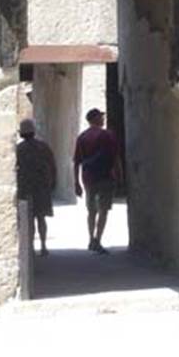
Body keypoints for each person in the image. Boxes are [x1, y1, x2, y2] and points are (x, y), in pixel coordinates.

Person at [73, 108, 121, 255]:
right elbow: (115, 157)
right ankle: (98, 239)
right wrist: (120, 175)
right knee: (104, 210)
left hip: (88, 178)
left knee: (91, 211)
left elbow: (77, 162)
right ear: (94, 119)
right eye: (101, 116)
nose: (103, 119)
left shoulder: (82, 137)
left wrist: (76, 182)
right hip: (105, 177)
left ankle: (90, 239)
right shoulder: (108, 135)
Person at [15, 119, 57, 256]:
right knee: (41, 218)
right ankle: (44, 246)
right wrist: (53, 182)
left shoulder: (19, 149)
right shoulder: (43, 147)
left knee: (28, 220)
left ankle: (31, 247)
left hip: (25, 186)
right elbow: (52, 165)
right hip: (41, 186)